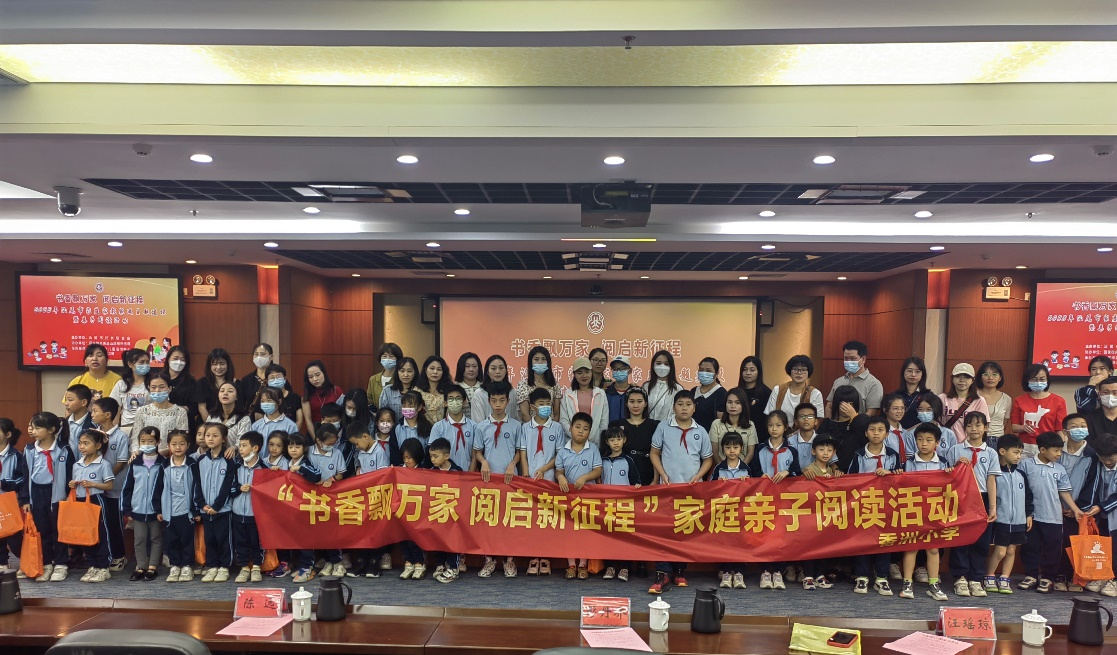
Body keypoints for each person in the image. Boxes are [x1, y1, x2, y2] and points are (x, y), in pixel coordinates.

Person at [649, 389, 713, 594]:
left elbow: (708, 459)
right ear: (673, 407)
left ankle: (679, 571)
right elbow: (654, 453)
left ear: (694, 408)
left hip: (691, 491)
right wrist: (662, 474)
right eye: (680, 404)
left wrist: (699, 476)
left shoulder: (700, 431)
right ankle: (662, 573)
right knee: (664, 531)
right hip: (667, 489)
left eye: (688, 404)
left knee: (685, 530)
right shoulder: (663, 427)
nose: (684, 408)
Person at [1018, 431, 1084, 593]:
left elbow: (1064, 491)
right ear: (1042, 450)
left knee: (1052, 548)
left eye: (1060, 450)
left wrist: (1075, 509)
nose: (1059, 454)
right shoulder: (1026, 464)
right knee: (1030, 546)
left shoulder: (1060, 469)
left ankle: (1048, 578)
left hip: (1053, 517)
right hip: (1031, 516)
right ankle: (1031, 575)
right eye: (1056, 450)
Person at [944, 412, 999, 598]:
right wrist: (956, 466)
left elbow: (991, 480)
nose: (973, 429)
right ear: (964, 428)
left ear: (986, 428)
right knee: (961, 538)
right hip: (961, 497)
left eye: (978, 425)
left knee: (981, 541)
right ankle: (960, 577)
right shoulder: (955, 449)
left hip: (982, 497)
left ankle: (976, 578)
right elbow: (947, 475)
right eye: (969, 425)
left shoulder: (991, 453)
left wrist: (992, 507)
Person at [847, 416, 903, 596]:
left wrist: (891, 473)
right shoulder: (858, 455)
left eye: (880, 430)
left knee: (884, 540)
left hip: (887, 505)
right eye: (872, 430)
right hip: (864, 505)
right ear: (866, 433)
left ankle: (882, 577)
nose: (876, 433)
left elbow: (901, 478)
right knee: (862, 541)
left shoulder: (893, 455)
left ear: (887, 434)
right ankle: (862, 576)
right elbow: (849, 481)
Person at [473, 381, 521, 579]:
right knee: (489, 522)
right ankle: (489, 560)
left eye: (502, 400)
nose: (498, 404)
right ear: (489, 401)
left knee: (510, 522)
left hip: (511, 480)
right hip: (488, 481)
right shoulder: (481, 426)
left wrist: (513, 463)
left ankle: (509, 560)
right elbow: (477, 451)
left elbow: (520, 451)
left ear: (508, 401)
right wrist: (483, 461)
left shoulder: (516, 425)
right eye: (494, 401)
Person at [900, 422, 952, 601]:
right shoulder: (908, 463)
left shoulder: (944, 463)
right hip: (913, 510)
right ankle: (907, 583)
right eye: (920, 439)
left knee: (933, 549)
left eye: (929, 440)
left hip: (935, 511)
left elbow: (952, 486)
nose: (924, 443)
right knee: (911, 547)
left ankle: (933, 584)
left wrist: (953, 472)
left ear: (937, 443)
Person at [750, 410, 800, 590]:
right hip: (765, 499)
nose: (774, 429)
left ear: (785, 427)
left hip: (784, 499)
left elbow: (797, 472)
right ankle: (765, 571)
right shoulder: (760, 449)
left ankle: (779, 571)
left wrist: (787, 472)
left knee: (781, 535)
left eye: (778, 425)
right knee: (765, 533)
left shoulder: (791, 450)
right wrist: (760, 475)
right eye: (771, 425)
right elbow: (754, 470)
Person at [517, 387, 564, 576]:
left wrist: (544, 469)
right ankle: (533, 557)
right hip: (530, 481)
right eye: (541, 404)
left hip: (549, 480)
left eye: (548, 403)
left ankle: (545, 557)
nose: (545, 407)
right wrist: (526, 475)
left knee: (547, 520)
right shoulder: (525, 428)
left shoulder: (557, 427)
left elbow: (559, 454)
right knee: (531, 520)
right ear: (532, 406)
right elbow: (522, 453)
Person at [22, 412, 73, 582]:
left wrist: (67, 495)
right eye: (33, 427)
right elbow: (25, 476)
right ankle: (46, 563)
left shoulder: (64, 449)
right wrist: (25, 499)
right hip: (37, 493)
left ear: (51, 429)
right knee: (42, 530)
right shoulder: (29, 450)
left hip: (57, 495)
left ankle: (61, 564)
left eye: (38, 428)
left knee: (58, 530)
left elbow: (70, 475)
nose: (33, 431)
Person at [556, 412, 603, 580]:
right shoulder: (563, 451)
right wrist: (560, 477)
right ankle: (571, 565)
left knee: (585, 532)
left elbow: (598, 470)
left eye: (585, 428)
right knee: (569, 532)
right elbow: (558, 470)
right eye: (577, 427)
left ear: (589, 432)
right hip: (569, 500)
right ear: (570, 428)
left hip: (588, 499)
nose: (581, 431)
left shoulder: (593, 449)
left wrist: (585, 477)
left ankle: (583, 564)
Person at [1057, 412, 1100, 592]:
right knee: (1056, 541)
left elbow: (1093, 484)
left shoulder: (1093, 455)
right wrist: (1058, 504)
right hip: (1055, 506)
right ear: (1065, 431)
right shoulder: (1056, 451)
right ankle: (1058, 576)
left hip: (1079, 509)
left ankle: (1073, 576)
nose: (1079, 429)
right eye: (1074, 426)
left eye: (1083, 426)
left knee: (1074, 541)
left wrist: (1079, 507)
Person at [68, 428, 115, 583]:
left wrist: (93, 484)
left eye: (86, 443)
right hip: (80, 501)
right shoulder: (77, 465)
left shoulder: (103, 464)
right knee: (85, 534)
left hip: (96, 500)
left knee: (100, 533)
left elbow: (109, 486)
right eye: (80, 443)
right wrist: (72, 484)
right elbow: (75, 483)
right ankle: (92, 565)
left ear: (98, 446)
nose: (82, 446)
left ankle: (103, 567)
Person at [121, 426, 166, 582]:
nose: (147, 444)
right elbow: (127, 487)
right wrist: (127, 509)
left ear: (158, 442)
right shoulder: (135, 463)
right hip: (138, 508)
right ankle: (140, 566)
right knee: (139, 539)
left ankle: (152, 566)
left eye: (150, 441)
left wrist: (162, 508)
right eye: (143, 441)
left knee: (156, 538)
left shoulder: (163, 463)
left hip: (156, 510)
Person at [346, 422, 390, 579]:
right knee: (362, 531)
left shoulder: (380, 452)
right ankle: (361, 562)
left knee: (376, 532)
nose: (357, 447)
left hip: (377, 498)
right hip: (363, 498)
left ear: (365, 436)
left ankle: (374, 563)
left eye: (357, 443)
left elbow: (383, 477)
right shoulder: (361, 453)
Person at [90, 397, 130, 571]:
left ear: (107, 415)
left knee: (114, 523)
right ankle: (102, 556)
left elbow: (121, 463)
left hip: (115, 487)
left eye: (95, 411)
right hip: (96, 489)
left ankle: (119, 556)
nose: (92, 414)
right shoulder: (92, 435)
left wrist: (105, 478)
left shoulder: (120, 436)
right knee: (100, 524)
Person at [160, 429, 202, 583]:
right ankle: (175, 565)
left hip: (186, 510)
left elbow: (197, 487)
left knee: (187, 539)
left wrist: (196, 510)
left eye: (182, 444)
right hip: (169, 510)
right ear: (168, 445)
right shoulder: (164, 465)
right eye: (174, 444)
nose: (178, 447)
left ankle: (187, 565)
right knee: (172, 540)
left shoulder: (192, 464)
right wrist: (159, 510)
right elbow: (158, 488)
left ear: (188, 445)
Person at [197, 423, 237, 583]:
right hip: (206, 509)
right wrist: (202, 504)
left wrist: (217, 506)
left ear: (223, 439)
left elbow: (228, 486)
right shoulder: (200, 460)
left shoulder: (229, 461)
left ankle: (224, 567)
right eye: (207, 435)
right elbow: (197, 484)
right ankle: (212, 566)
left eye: (215, 435)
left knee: (223, 539)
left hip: (223, 510)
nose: (210, 439)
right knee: (210, 539)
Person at [710, 431, 749, 591]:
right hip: (724, 512)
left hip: (741, 513)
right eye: (728, 447)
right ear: (722, 449)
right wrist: (717, 483)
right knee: (725, 542)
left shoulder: (747, 469)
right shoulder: (718, 468)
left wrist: (747, 483)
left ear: (741, 448)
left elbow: (756, 490)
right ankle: (726, 572)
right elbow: (708, 489)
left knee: (741, 542)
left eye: (735, 447)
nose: (732, 451)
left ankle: (739, 572)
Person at [600, 425, 640, 582]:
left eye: (618, 439)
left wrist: (637, 487)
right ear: (607, 442)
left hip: (624, 506)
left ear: (624, 440)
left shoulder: (628, 460)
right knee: (607, 536)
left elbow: (636, 481)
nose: (615, 442)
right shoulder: (602, 461)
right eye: (612, 440)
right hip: (607, 505)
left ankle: (625, 568)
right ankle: (609, 566)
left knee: (625, 536)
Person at [230, 431, 267, 584]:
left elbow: (269, 492)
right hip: (238, 511)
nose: (240, 448)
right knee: (240, 542)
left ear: (255, 448)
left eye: (244, 445)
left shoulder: (264, 468)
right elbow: (229, 487)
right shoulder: (236, 466)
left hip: (256, 514)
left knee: (256, 541)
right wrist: (239, 488)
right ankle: (244, 567)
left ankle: (257, 567)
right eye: (239, 445)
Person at [286, 433, 323, 584]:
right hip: (292, 507)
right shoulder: (286, 462)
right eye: (290, 446)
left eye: (297, 446)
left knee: (305, 538)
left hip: (306, 506)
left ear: (305, 448)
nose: (293, 449)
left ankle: (308, 567)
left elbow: (317, 476)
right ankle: (301, 565)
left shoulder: (306, 463)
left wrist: (300, 469)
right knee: (295, 538)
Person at [428, 437, 465, 584]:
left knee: (452, 541)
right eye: (431, 456)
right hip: (437, 512)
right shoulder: (430, 472)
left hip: (453, 514)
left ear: (446, 456)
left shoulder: (457, 471)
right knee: (438, 539)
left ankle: (454, 568)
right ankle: (440, 564)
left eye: (435, 456)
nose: (432, 459)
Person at [1012, 364, 1067, 458]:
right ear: (1027, 380)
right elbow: (1014, 427)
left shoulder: (1058, 401)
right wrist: (1023, 428)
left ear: (1047, 380)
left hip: (1048, 446)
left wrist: (1060, 449)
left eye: (1042, 379)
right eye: (1034, 379)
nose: (1038, 382)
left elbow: (1060, 430)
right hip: (1025, 446)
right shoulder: (1019, 400)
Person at [607, 387, 659, 486]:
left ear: (645, 403)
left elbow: (657, 454)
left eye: (639, 401)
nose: (635, 405)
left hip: (647, 470)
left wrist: (656, 480)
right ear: (626, 404)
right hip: (622, 471)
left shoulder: (654, 425)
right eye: (632, 401)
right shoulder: (616, 425)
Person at [132, 372, 189, 454]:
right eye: (153, 387)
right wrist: (136, 452)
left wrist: (160, 453)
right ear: (149, 388)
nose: (157, 390)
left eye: (161, 387)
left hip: (171, 456)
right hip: (146, 455)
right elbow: (136, 439)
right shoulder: (142, 411)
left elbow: (182, 439)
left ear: (169, 388)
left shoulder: (180, 412)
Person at [397, 437, 429, 581]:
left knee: (414, 539)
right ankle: (408, 562)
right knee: (402, 537)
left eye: (410, 458)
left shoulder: (424, 471)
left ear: (417, 456)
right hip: (402, 510)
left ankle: (419, 563)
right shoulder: (398, 470)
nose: (407, 461)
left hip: (418, 512)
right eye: (404, 458)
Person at [826, 340, 884, 416]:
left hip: (860, 423)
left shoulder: (874, 384)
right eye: (846, 358)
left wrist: (855, 420)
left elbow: (872, 412)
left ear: (863, 359)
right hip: (836, 423)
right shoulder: (838, 381)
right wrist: (829, 422)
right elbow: (829, 407)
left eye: (853, 358)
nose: (848, 361)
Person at [560, 357, 609, 445]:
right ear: (574, 374)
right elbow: (564, 420)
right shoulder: (568, 394)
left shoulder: (600, 393)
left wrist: (598, 438)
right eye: (579, 373)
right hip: (573, 443)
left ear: (591, 372)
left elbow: (604, 421)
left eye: (587, 372)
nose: (584, 376)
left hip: (594, 442)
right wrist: (577, 436)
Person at [1091, 432, 1117, 597]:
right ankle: (1104, 577)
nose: (1107, 462)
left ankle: (1114, 581)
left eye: (1111, 459)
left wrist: (1102, 507)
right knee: (1103, 548)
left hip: (1111, 513)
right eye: (1103, 459)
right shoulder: (1096, 465)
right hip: (1102, 516)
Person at [822, 386, 871, 470]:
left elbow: (868, 440)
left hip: (857, 469)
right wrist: (833, 465)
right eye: (843, 403)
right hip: (831, 471)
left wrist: (854, 416)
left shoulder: (864, 421)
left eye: (850, 404)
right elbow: (820, 447)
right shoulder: (827, 424)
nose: (847, 407)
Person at [0, 419, 27, 571]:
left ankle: (26, 561)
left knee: (14, 537)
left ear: (8, 434)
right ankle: (2, 562)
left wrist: (3, 484)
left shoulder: (17, 456)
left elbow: (21, 479)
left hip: (10, 502)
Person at [939, 363, 989, 445]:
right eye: (958, 376)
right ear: (952, 378)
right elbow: (936, 423)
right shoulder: (942, 398)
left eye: (967, 377)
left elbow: (983, 426)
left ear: (972, 380)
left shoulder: (979, 401)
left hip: (968, 445)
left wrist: (965, 444)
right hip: (945, 444)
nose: (962, 380)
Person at [430, 385, 477, 472]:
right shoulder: (438, 427)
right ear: (445, 403)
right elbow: (434, 453)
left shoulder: (474, 426)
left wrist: (470, 474)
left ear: (464, 402)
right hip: (445, 475)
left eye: (458, 398)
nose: (454, 401)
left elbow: (475, 455)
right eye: (451, 398)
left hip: (467, 473)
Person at [765, 355, 824, 419]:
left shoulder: (815, 393)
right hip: (780, 425)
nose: (799, 373)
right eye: (795, 369)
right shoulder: (778, 390)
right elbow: (770, 416)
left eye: (803, 369)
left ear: (808, 372)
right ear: (790, 371)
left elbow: (816, 419)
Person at [709, 387, 757, 465]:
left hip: (742, 469)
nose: (733, 406)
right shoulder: (716, 424)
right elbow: (714, 452)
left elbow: (750, 453)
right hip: (721, 468)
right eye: (729, 402)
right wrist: (723, 468)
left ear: (743, 405)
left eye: (737, 403)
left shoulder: (750, 425)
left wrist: (741, 468)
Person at [516, 346, 563, 423]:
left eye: (543, 359)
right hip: (530, 427)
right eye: (536, 359)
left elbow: (556, 413)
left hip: (551, 427)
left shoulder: (554, 384)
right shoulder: (523, 384)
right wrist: (535, 428)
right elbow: (525, 414)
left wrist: (552, 427)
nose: (540, 362)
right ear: (531, 362)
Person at [110, 348, 152, 434]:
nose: (145, 365)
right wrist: (114, 431)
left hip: (147, 428)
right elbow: (116, 408)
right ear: (130, 364)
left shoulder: (153, 383)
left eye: (147, 362)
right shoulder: (121, 384)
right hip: (126, 428)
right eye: (141, 362)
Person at [206, 381, 253, 454]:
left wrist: (234, 447)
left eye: (230, 391)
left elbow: (244, 441)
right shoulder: (212, 417)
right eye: (222, 391)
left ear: (237, 397)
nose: (225, 393)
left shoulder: (244, 419)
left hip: (235, 457)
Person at [164, 346, 203, 432]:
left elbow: (194, 408)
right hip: (161, 421)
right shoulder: (160, 378)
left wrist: (174, 408)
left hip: (184, 424)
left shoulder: (191, 381)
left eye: (183, 360)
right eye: (175, 358)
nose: (179, 362)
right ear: (168, 359)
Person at [301, 360, 344, 439]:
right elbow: (308, 419)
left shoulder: (336, 390)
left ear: (324, 373)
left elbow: (342, 414)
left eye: (317, 375)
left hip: (335, 430)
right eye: (310, 377)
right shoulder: (306, 395)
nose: (315, 379)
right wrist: (315, 439)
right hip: (315, 431)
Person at [791, 403, 835, 478]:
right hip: (796, 481)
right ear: (796, 421)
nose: (806, 419)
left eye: (810, 416)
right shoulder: (789, 442)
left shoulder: (824, 440)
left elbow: (833, 463)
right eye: (802, 416)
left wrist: (836, 470)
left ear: (816, 421)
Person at [643, 350, 684, 423]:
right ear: (653, 365)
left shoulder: (677, 388)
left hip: (669, 427)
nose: (662, 367)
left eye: (666, 364)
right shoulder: (646, 386)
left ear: (671, 367)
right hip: (648, 427)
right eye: (658, 363)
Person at [976, 361, 1012, 443]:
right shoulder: (973, 396)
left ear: (1000, 378)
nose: (990, 378)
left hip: (998, 440)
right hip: (976, 439)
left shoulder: (1006, 399)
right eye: (986, 374)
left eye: (995, 374)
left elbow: (1004, 424)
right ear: (980, 378)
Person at [198, 348, 237, 421]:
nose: (218, 367)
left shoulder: (235, 383)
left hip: (230, 423)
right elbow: (202, 408)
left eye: (222, 364)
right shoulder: (202, 383)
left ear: (228, 365)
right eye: (215, 364)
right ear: (209, 366)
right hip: (206, 423)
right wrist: (212, 425)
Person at [471, 355, 510, 423]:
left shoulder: (512, 391)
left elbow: (515, 417)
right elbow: (477, 421)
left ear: (506, 370)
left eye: (501, 368)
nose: (497, 371)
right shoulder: (480, 393)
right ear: (487, 372)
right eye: (493, 368)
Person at [691, 356, 727, 432]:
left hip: (711, 435)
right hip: (692, 434)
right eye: (701, 370)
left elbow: (721, 423)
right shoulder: (694, 391)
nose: (704, 373)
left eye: (708, 371)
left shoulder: (721, 393)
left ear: (716, 373)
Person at [366, 342, 404, 412]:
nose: (387, 359)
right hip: (377, 416)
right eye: (384, 356)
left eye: (391, 356)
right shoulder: (373, 379)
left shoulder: (401, 378)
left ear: (398, 359)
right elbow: (369, 401)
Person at [894, 356, 929, 429]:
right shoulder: (894, 396)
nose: (913, 374)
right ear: (903, 372)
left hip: (921, 434)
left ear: (922, 374)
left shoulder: (928, 396)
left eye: (917, 371)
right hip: (897, 434)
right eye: (909, 371)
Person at [240, 343, 277, 414]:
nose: (259, 357)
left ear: (271, 357)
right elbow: (241, 403)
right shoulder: (246, 380)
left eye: (262, 354)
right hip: (252, 419)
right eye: (256, 354)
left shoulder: (277, 379)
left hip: (274, 417)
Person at [738, 355, 772, 429]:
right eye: (745, 369)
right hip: (738, 432)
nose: (748, 373)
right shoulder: (737, 392)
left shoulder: (766, 393)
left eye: (752, 370)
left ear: (758, 372)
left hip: (759, 433)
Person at [416, 356, 452, 424]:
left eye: (439, 369)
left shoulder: (450, 390)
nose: (435, 372)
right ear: (425, 370)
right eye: (432, 368)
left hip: (445, 428)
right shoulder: (417, 391)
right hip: (422, 428)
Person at [379, 357, 418, 421]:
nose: (406, 374)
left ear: (415, 373)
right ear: (397, 372)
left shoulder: (419, 391)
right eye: (402, 371)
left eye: (409, 371)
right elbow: (382, 415)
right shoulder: (387, 391)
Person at [61, 383, 94, 457]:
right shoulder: (63, 424)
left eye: (70, 400)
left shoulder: (94, 424)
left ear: (83, 402)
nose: (66, 403)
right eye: (66, 400)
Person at [881, 394, 913, 463]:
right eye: (895, 408)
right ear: (885, 410)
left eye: (902, 408)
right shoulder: (882, 432)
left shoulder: (906, 433)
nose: (900, 411)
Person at [604, 355, 634, 424]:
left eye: (622, 369)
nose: (618, 371)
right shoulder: (606, 393)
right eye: (615, 369)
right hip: (610, 430)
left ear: (630, 371)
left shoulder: (634, 392)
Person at [454, 352, 484, 418]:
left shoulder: (484, 388)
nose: (471, 369)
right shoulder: (455, 388)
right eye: (467, 366)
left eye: (474, 366)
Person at [1087, 376, 1117, 441]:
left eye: (1115, 393)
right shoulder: (1089, 419)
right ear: (1099, 395)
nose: (1110, 396)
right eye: (1106, 392)